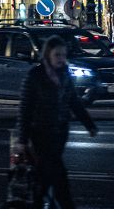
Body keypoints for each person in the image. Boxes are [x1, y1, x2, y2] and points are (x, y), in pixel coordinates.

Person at [16, 35, 97, 209]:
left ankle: (35, 203)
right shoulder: (35, 76)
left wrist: (89, 124)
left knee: (44, 176)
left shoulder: (65, 75)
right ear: (48, 55)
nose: (61, 59)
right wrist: (22, 140)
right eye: (57, 55)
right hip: (40, 133)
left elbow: (73, 101)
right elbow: (25, 109)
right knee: (59, 176)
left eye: (63, 55)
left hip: (59, 133)